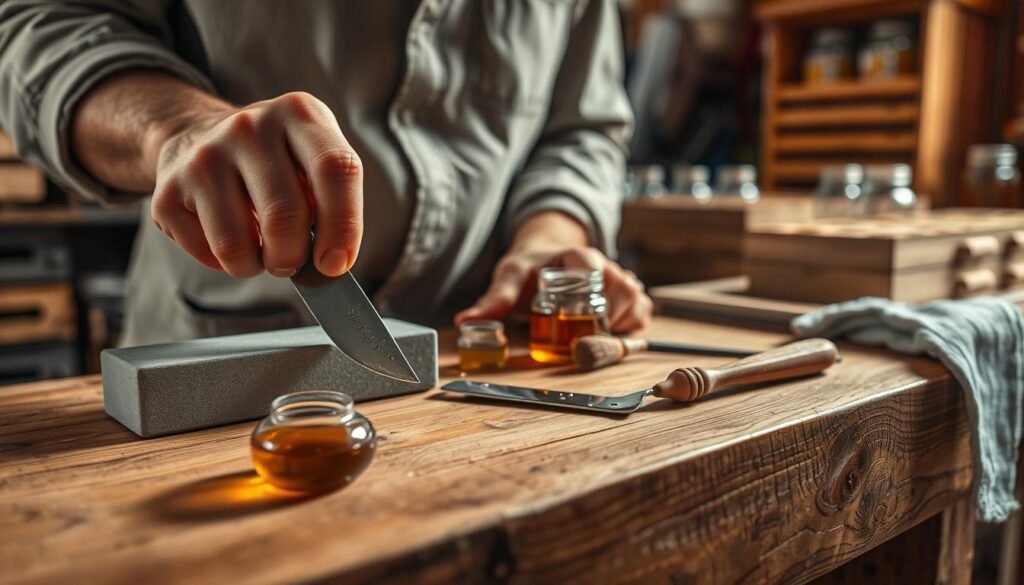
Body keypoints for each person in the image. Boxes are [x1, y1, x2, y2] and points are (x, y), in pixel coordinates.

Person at [0, 1, 652, 345]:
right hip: (213, 362)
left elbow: (582, 129)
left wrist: (549, 236)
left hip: (472, 361)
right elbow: (41, 23)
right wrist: (176, 125)